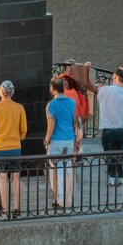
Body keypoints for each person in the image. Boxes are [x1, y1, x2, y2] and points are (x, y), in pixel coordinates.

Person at [0, 80, 28, 218]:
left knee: (2, 176)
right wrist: (17, 138)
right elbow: (24, 129)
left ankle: (4, 209)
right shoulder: (19, 108)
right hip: (15, 146)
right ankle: (17, 208)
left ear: (0, 91)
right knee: (16, 177)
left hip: (0, 147)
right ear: (12, 92)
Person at [44, 78, 81, 209]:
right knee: (68, 171)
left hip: (56, 141)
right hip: (69, 140)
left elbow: (51, 126)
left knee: (56, 172)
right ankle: (69, 200)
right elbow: (74, 121)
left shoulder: (51, 105)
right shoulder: (71, 103)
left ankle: (59, 201)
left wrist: (46, 140)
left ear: (53, 89)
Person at [98, 67, 123, 185]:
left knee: (110, 155)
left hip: (108, 130)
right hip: (122, 130)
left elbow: (99, 100)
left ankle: (111, 178)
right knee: (120, 156)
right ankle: (119, 177)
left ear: (114, 76)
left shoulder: (104, 90)